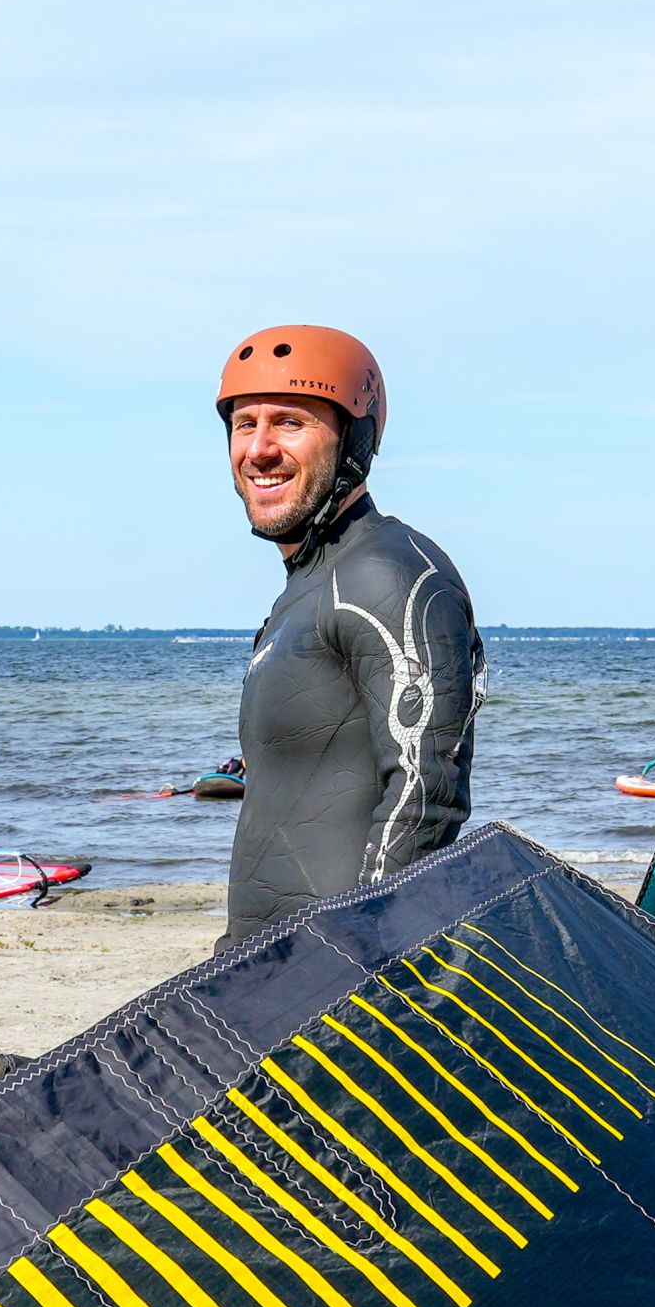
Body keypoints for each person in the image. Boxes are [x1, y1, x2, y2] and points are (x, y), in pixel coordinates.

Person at [218, 326, 482, 946]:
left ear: (356, 439)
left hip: (333, 970)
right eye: (242, 423)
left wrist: (351, 957)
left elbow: (426, 794)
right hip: (262, 965)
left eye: (289, 422)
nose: (258, 448)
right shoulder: (307, 584)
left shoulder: (385, 573)